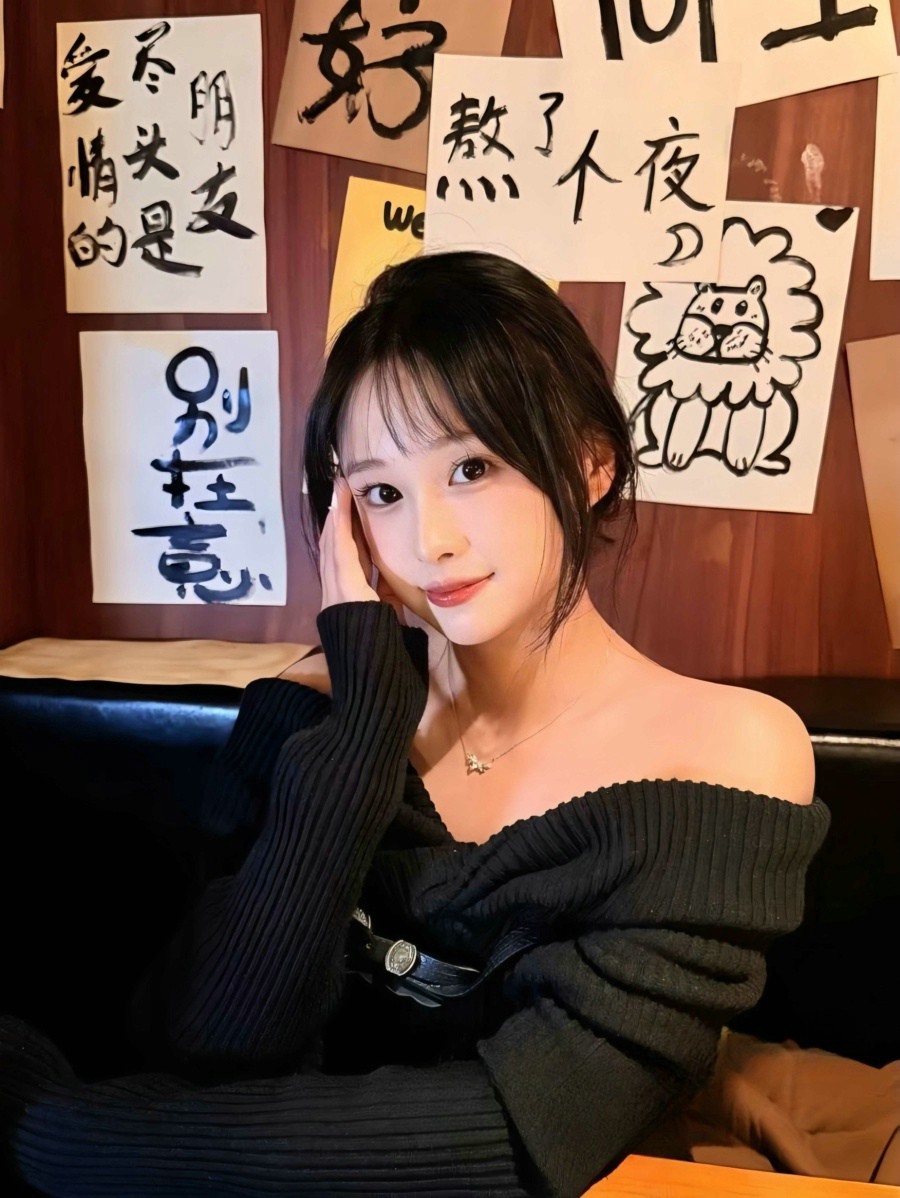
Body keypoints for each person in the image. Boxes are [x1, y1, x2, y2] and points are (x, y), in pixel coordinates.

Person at [1, 250, 829, 1197]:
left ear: (591, 463)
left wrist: (59, 1135)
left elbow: (525, 1133)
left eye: (472, 467)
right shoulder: (317, 704)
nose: (428, 541)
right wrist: (363, 720)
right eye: (382, 493)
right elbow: (216, 1041)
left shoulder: (730, 753)